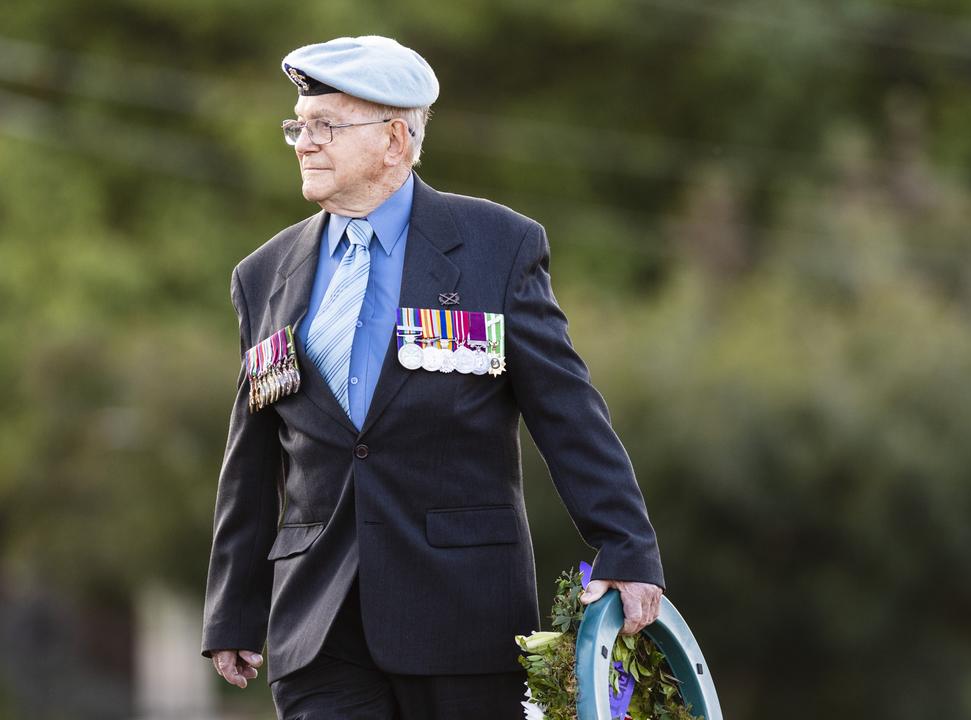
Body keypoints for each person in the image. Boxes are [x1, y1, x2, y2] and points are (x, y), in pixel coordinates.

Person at [200, 35, 665, 719]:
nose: (304, 141)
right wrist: (233, 611)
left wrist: (626, 546)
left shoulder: (496, 248)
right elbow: (253, 457)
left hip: (464, 618)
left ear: (394, 140)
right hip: (319, 627)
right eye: (299, 124)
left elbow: (567, 411)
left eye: (327, 124)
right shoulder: (262, 275)